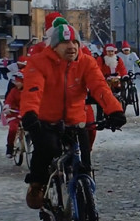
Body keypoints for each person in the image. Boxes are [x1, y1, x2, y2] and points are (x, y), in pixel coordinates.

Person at [19, 22, 126, 209]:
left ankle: (88, 208)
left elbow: (100, 87)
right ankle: (36, 184)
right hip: (45, 120)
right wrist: (29, 114)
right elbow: (33, 90)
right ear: (54, 46)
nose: (72, 47)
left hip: (76, 120)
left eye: (75, 42)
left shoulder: (86, 62)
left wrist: (114, 110)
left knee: (84, 162)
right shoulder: (39, 62)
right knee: (47, 149)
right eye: (65, 43)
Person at [3, 71, 24, 157]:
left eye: (18, 81)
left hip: (27, 113)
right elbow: (8, 101)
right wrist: (7, 108)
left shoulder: (28, 91)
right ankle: (10, 147)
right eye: (15, 81)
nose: (16, 83)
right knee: (13, 129)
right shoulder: (13, 91)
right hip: (14, 113)